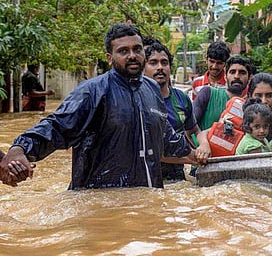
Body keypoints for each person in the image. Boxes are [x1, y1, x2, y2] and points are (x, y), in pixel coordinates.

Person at [0, 23, 196, 189]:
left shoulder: (151, 89)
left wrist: (196, 156)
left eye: (137, 49)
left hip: (148, 198)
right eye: (123, 51)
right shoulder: (93, 91)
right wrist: (20, 148)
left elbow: (165, 135)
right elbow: (57, 126)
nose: (132, 56)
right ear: (109, 58)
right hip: (99, 200)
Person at [143, 41, 209, 181]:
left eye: (164, 63)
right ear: (143, 68)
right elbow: (151, 150)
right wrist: (191, 158)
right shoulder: (138, 102)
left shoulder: (181, 98)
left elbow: (194, 130)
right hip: (149, 175)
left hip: (177, 176)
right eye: (153, 63)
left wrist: (203, 145)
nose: (160, 67)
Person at [193, 56, 254, 131]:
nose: (236, 76)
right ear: (225, 76)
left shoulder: (252, 106)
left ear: (249, 78)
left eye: (242, 73)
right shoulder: (208, 93)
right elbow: (189, 127)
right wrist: (202, 141)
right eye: (232, 72)